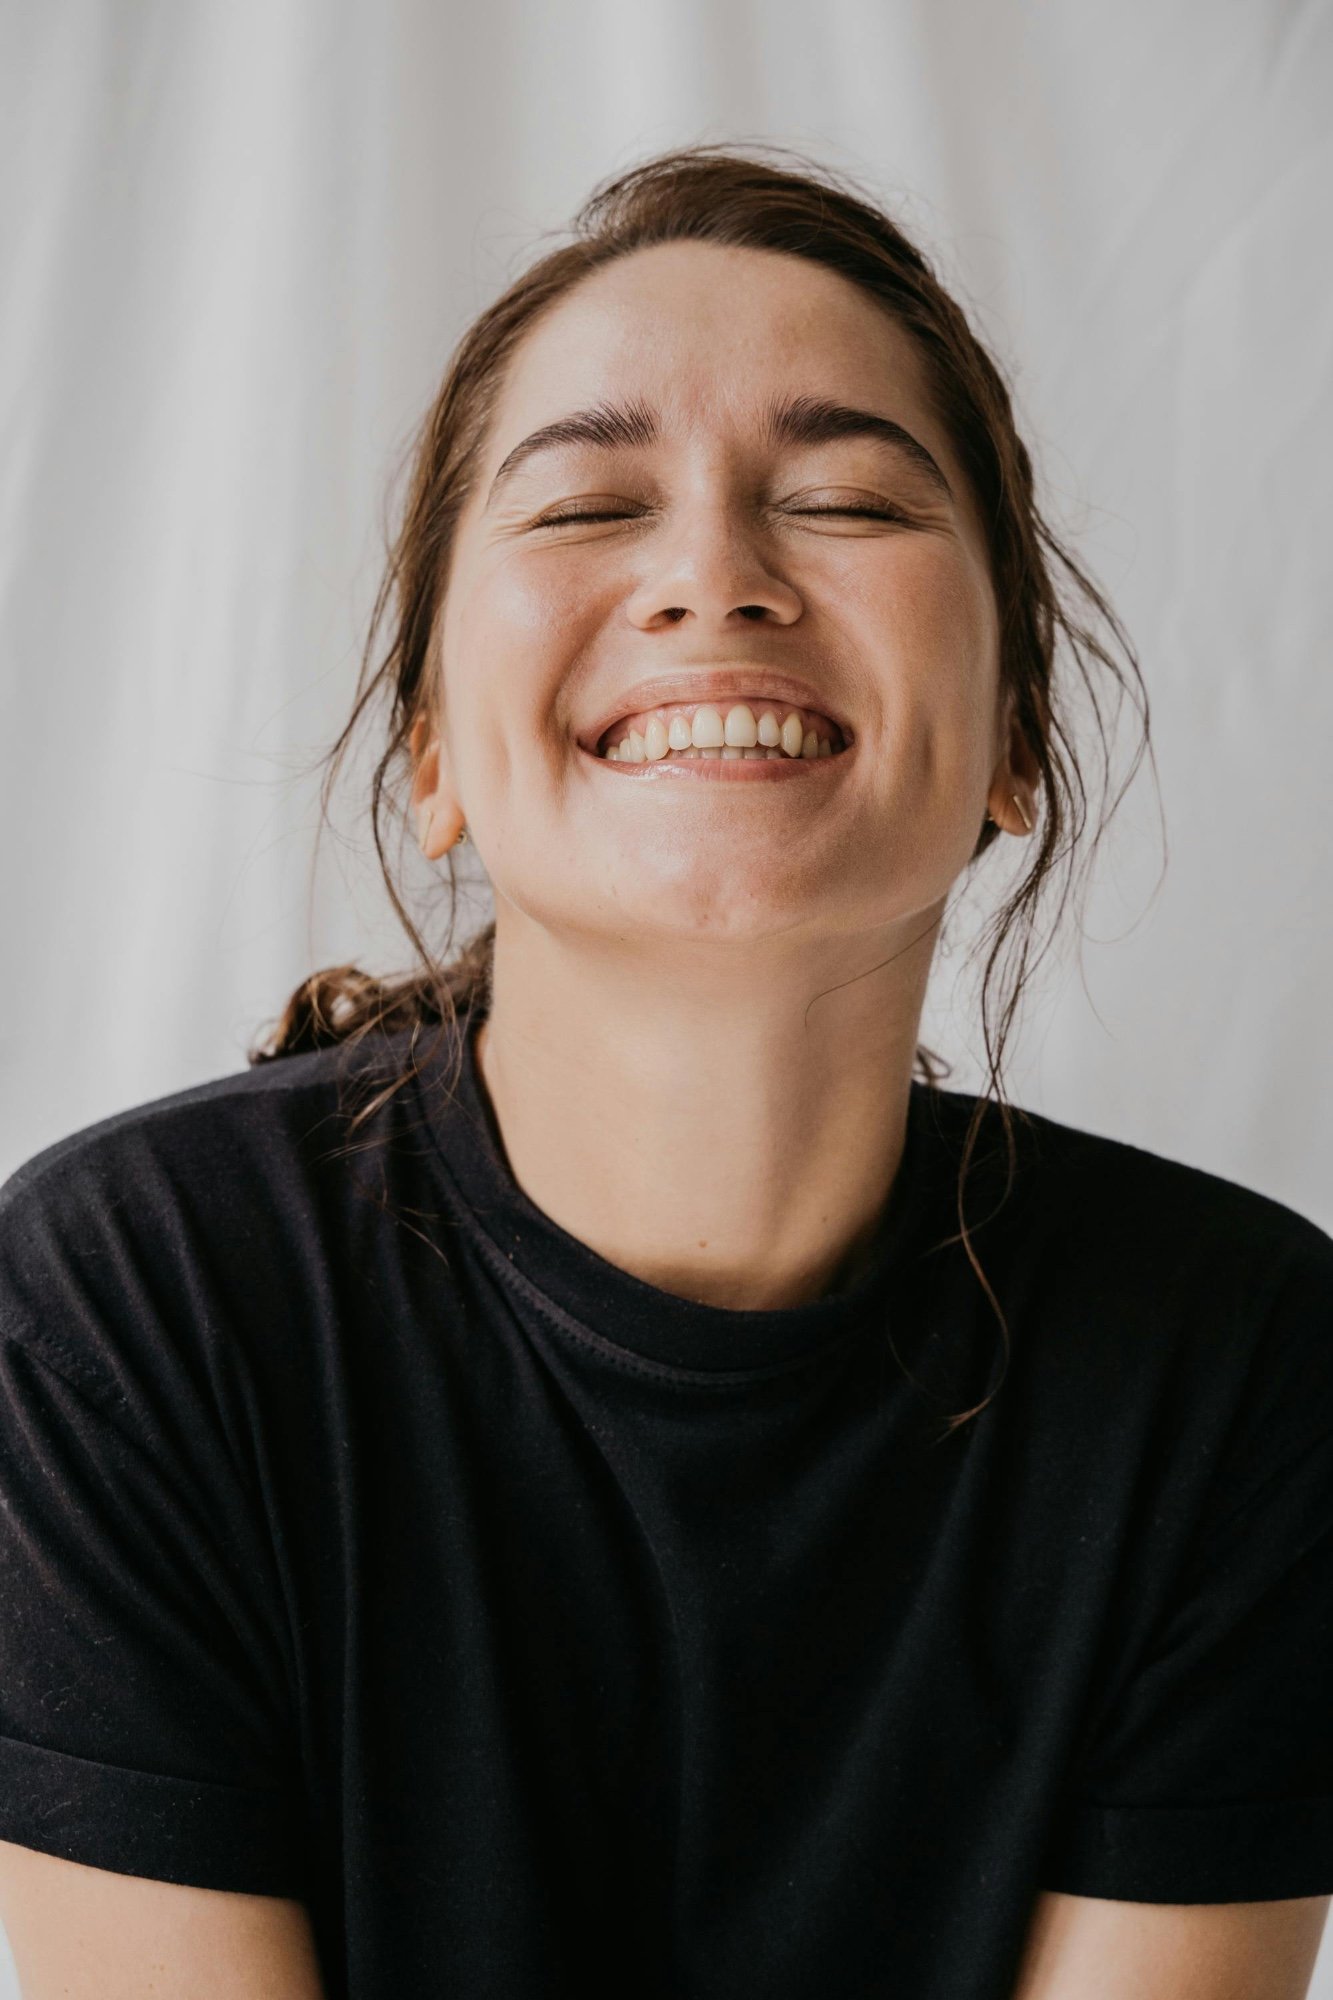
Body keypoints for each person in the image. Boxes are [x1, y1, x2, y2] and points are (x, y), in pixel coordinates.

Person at [0, 143, 1330, 2000]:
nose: (713, 574)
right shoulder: (125, 1305)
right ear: (433, 757)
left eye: (850, 496)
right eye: (581, 509)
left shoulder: (1240, 1361)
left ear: (1014, 729)